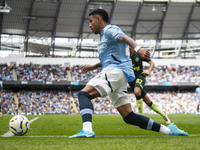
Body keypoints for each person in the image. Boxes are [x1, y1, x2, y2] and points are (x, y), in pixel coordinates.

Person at [69, 8, 189, 138]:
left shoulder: (109, 29)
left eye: (91, 21)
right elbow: (113, 57)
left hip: (115, 72)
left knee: (83, 94)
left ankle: (87, 130)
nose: (90, 25)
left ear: (99, 19)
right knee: (128, 116)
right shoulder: (104, 37)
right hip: (118, 75)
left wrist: (138, 48)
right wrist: (95, 66)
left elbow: (124, 38)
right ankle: (169, 130)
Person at [128, 50, 171, 124]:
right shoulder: (123, 56)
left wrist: (148, 71)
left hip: (140, 76)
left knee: (137, 91)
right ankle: (163, 115)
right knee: (147, 101)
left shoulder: (139, 54)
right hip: (131, 80)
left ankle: (140, 117)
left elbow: (152, 63)